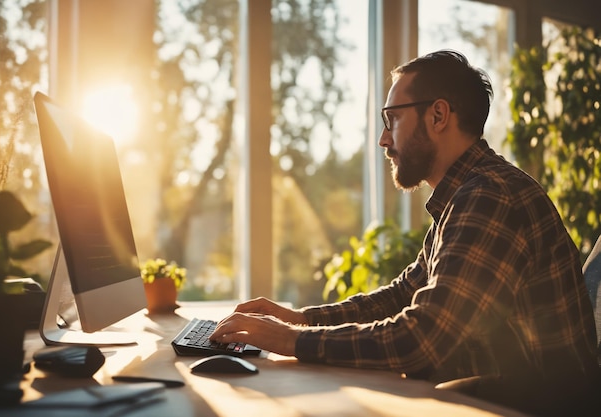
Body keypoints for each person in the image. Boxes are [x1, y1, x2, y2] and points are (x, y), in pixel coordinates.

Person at [211, 50, 600, 416]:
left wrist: (290, 341)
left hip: (542, 405)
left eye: (392, 119)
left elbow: (423, 338)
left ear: (438, 116)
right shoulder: (466, 193)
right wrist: (301, 319)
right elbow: (402, 294)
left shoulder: (489, 196)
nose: (384, 139)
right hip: (512, 391)